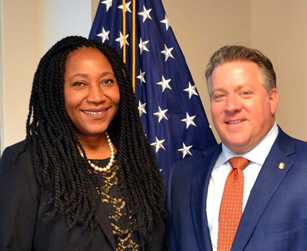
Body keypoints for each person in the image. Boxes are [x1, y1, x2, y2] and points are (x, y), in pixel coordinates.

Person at [0, 36, 168, 251]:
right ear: (56, 91)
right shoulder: (25, 162)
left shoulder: (137, 158)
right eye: (79, 84)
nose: (97, 96)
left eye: (107, 81)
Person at [167, 45, 307, 250]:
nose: (231, 106)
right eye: (219, 96)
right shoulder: (182, 176)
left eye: (244, 93)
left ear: (272, 99)